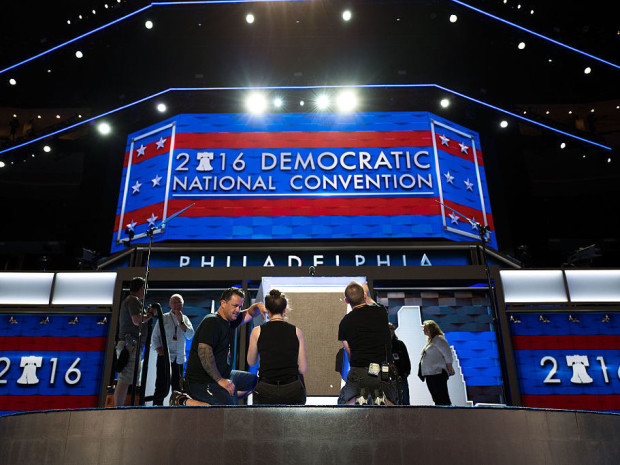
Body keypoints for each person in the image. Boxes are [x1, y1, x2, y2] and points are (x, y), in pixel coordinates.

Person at [183, 287, 267, 405]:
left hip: (225, 375)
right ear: (223, 303)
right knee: (228, 406)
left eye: (240, 306)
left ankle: (228, 397)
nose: (238, 310)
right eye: (235, 305)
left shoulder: (230, 320)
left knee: (256, 382)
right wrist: (220, 380)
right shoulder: (211, 321)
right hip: (201, 382)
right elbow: (204, 354)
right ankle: (184, 401)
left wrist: (259, 306)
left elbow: (249, 313)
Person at [337, 281, 397, 405]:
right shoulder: (380, 312)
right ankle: (382, 399)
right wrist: (365, 292)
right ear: (364, 296)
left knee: (344, 404)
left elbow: (350, 354)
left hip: (359, 371)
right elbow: (372, 303)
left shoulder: (345, 322)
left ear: (346, 301)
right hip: (382, 370)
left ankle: (358, 398)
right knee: (393, 405)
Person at [247, 289, 307, 405]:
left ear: (267, 310)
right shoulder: (297, 332)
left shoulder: (257, 332)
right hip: (292, 390)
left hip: (266, 389)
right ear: (285, 309)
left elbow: (251, 362)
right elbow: (303, 369)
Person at [113, 277, 157, 406]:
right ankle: (118, 408)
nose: (145, 291)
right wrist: (151, 314)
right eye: (145, 288)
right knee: (125, 379)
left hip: (130, 344)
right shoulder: (133, 300)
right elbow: (137, 319)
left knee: (127, 378)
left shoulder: (131, 301)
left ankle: (120, 407)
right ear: (141, 287)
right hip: (130, 344)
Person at [151, 294, 194, 405]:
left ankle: (176, 410)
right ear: (170, 305)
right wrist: (160, 351)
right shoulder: (164, 317)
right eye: (174, 302)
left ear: (182, 305)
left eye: (178, 302)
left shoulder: (185, 319)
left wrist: (181, 322)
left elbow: (190, 335)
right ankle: (156, 409)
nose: (176, 304)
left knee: (178, 388)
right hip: (165, 358)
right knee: (161, 386)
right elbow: (154, 337)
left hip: (179, 359)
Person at [419, 320, 455, 406]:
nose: (423, 330)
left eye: (425, 328)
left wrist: (449, 369)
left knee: (442, 397)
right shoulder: (431, 341)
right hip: (430, 374)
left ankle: (447, 415)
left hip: (437, 373)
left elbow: (448, 355)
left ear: (430, 329)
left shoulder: (439, 339)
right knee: (436, 398)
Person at [389, 322, 411, 405]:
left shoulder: (400, 344)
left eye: (391, 329)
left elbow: (406, 360)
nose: (390, 331)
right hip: (387, 379)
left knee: (404, 400)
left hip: (401, 377)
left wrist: (405, 373)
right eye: (388, 329)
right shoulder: (381, 345)